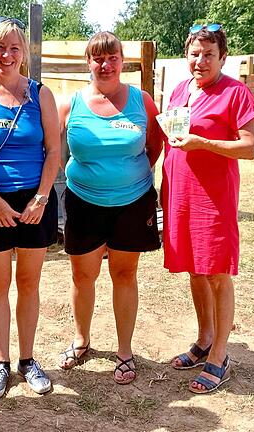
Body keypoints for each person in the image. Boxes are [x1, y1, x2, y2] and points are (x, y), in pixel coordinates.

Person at [0, 16, 60, 399]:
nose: (7, 54)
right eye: (0, 47)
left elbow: (53, 149)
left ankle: (28, 360)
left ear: (24, 54)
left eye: (14, 47)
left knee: (30, 284)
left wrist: (41, 197)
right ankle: (1, 363)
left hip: (35, 200)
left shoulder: (41, 95)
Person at [57, 31, 163, 385]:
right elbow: (55, 151)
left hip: (132, 202)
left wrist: (130, 176)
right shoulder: (70, 104)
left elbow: (155, 144)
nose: (105, 64)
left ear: (122, 61)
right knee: (83, 277)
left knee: (124, 275)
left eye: (112, 57)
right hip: (84, 201)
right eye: (97, 58)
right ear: (88, 62)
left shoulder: (142, 100)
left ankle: (124, 351)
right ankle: (82, 340)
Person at [162, 23, 254, 394]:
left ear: (222, 57)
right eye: (194, 54)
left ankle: (220, 354)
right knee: (195, 268)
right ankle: (204, 339)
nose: (200, 61)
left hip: (213, 196)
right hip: (180, 192)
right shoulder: (179, 89)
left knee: (217, 271)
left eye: (208, 54)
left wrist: (203, 142)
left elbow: (249, 147)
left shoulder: (235, 93)